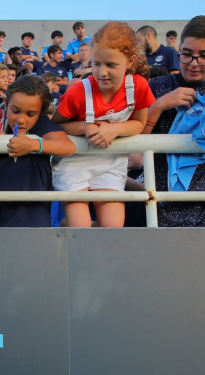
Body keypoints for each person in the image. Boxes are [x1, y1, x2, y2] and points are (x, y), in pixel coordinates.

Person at [52, 21, 154, 228]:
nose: (102, 72)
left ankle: (67, 226)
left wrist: (114, 129)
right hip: (74, 163)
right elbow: (53, 127)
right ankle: (66, 226)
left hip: (111, 162)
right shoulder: (78, 92)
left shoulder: (139, 87)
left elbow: (139, 123)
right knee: (80, 230)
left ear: (129, 61)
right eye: (97, 64)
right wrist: (84, 128)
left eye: (111, 65)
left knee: (112, 230)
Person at [144, 15, 205, 227]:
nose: (193, 64)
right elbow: (137, 141)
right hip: (162, 192)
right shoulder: (158, 85)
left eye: (204, 56)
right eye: (186, 54)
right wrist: (159, 105)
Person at [0, 76, 75, 227]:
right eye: (16, 111)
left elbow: (68, 146)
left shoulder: (41, 126)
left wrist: (33, 145)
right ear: (6, 104)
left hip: (37, 218)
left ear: (40, 113)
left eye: (30, 114)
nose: (21, 120)